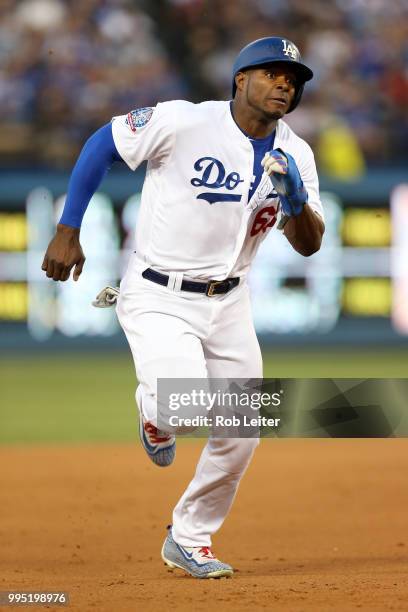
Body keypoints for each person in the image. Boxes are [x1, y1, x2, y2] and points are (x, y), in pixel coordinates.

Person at [41, 37, 324, 579]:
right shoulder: (184, 122)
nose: (285, 84)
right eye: (272, 73)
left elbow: (309, 243)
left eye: (294, 79)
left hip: (232, 300)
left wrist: (295, 202)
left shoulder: (298, 154)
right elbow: (103, 143)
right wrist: (67, 229)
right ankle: (155, 415)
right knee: (185, 410)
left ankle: (190, 537)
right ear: (240, 79)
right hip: (157, 293)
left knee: (243, 429)